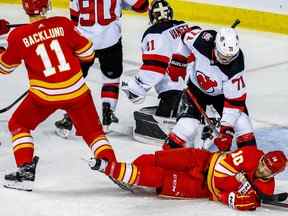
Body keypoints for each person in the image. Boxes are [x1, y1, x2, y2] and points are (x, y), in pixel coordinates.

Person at [0, 0, 116, 191]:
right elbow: (88, 53)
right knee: (93, 132)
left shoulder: (18, 36)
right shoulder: (63, 23)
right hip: (77, 91)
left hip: (44, 97)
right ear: (46, 6)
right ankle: (112, 166)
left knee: (18, 124)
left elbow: (4, 68)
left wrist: (3, 44)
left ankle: (25, 169)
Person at [54, 0, 149, 136]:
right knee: (111, 79)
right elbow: (142, 6)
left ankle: (69, 118)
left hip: (84, 42)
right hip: (110, 41)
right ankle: (107, 115)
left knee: (76, 80)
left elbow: (74, 18)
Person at [89, 146, 287, 211]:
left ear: (273, 175)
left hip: (200, 186)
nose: (261, 168)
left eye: (267, 169)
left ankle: (116, 170)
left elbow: (224, 194)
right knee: (158, 158)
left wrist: (235, 199)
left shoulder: (266, 190)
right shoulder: (253, 154)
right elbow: (221, 170)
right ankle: (129, 170)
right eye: (263, 162)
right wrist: (240, 182)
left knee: (161, 179)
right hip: (202, 159)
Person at [163, 26, 256, 151]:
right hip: (195, 89)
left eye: (229, 58)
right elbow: (185, 37)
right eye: (223, 56)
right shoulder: (201, 41)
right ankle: (166, 156)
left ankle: (249, 159)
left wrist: (226, 131)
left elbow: (234, 103)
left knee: (243, 125)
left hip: (221, 96)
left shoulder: (236, 66)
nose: (226, 61)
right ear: (215, 46)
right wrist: (178, 61)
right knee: (187, 127)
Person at [121, 0, 201, 142]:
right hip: (199, 85)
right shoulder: (184, 25)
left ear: (152, 17)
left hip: (175, 90)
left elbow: (154, 69)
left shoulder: (154, 33)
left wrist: (137, 87)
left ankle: (179, 119)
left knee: (168, 101)